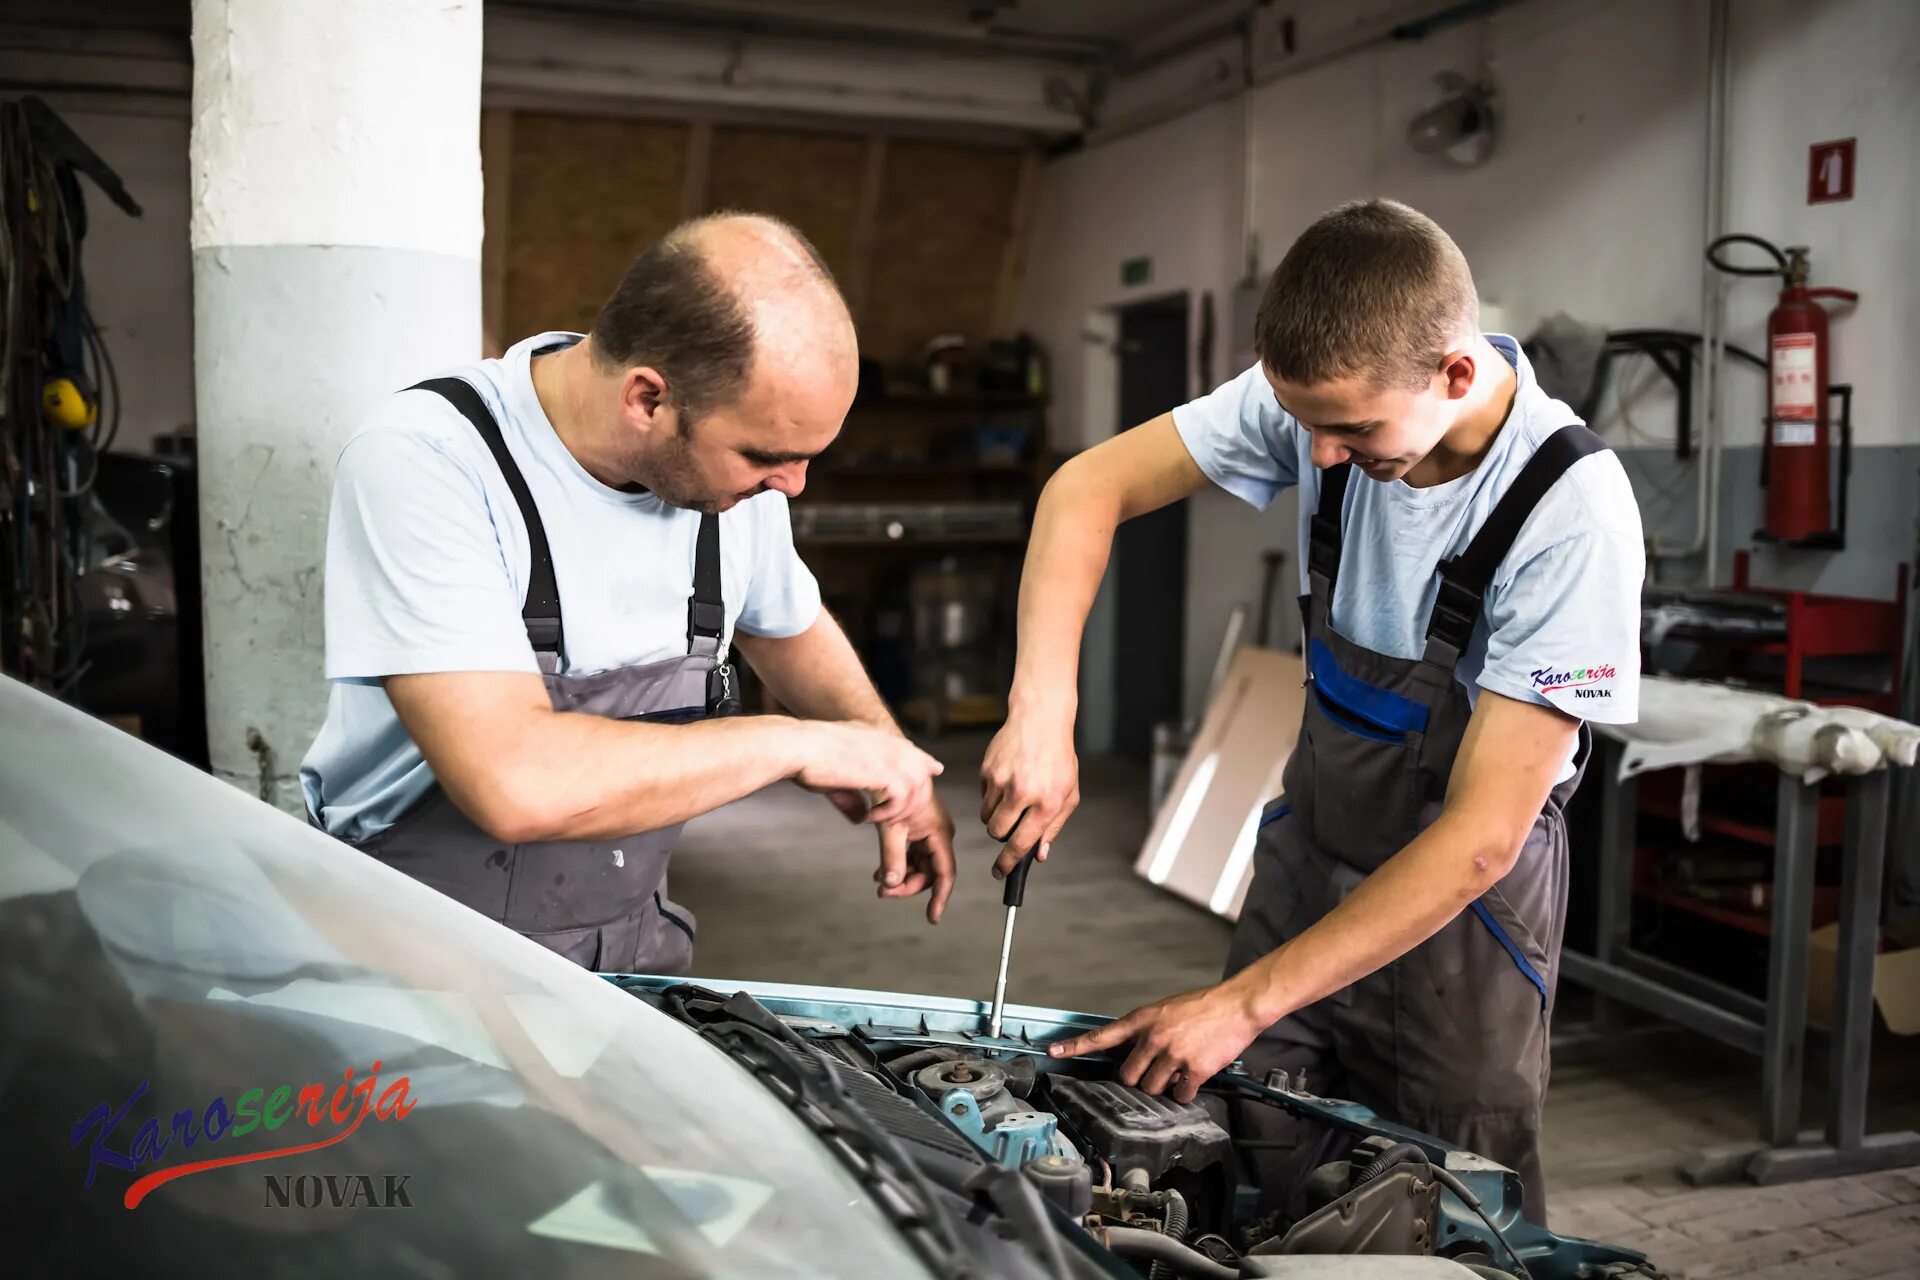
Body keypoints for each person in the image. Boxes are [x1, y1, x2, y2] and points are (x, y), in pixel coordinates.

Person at [981, 199, 1643, 1218]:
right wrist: (1040, 709)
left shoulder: (1569, 513)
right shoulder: (1320, 401)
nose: (1321, 456)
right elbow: (1085, 488)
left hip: (1463, 912)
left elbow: (1478, 839)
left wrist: (1242, 1000)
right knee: (1236, 1140)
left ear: (1457, 374)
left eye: (1354, 429)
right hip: (1310, 843)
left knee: (1443, 1198)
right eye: (1307, 424)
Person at [301, 212, 955, 974]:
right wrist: (799, 743)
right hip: (419, 951)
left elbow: (787, 627)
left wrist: (890, 763)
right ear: (647, 398)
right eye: (767, 456)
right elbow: (515, 784)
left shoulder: (736, 491)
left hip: (628, 946)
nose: (793, 487)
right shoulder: (431, 460)